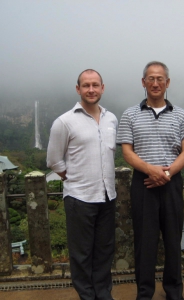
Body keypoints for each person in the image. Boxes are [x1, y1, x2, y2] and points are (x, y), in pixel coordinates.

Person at [117, 61, 184, 300]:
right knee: (144, 242)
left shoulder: (181, 115)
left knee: (173, 240)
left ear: (167, 83)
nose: (156, 83)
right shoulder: (130, 114)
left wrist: (167, 174)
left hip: (172, 183)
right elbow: (127, 152)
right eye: (151, 78)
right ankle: (144, 293)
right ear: (143, 82)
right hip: (143, 184)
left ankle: (174, 292)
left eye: (160, 79)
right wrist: (151, 170)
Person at [46, 69, 117, 300]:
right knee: (81, 254)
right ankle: (87, 296)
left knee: (104, 252)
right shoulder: (64, 122)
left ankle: (103, 295)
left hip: (107, 197)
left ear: (102, 88)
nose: (91, 89)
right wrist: (75, 179)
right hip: (79, 198)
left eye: (95, 85)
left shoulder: (111, 118)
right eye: (86, 85)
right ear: (78, 89)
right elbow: (54, 161)